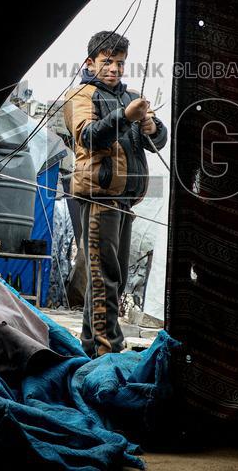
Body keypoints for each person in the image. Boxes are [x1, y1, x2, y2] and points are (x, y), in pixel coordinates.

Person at [62, 31, 167, 357]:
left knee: (113, 280)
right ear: (90, 62)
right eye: (107, 61)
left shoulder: (130, 96)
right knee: (104, 279)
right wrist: (125, 116)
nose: (114, 69)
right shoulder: (80, 95)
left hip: (123, 200)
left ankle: (92, 352)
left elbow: (158, 141)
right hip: (98, 198)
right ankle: (107, 354)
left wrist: (152, 127)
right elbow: (88, 136)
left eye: (120, 63)